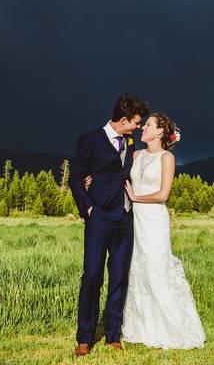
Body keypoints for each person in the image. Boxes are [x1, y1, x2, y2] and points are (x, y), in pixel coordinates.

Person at [86, 112, 205, 350]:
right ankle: (141, 325)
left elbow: (163, 195)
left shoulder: (167, 158)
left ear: (160, 132)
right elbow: (114, 173)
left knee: (156, 267)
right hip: (132, 220)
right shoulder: (136, 154)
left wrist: (136, 197)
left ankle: (172, 327)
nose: (143, 128)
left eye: (148, 125)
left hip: (154, 220)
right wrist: (93, 181)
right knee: (136, 269)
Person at [68, 93, 149, 357]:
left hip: (125, 219)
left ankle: (113, 334)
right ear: (124, 120)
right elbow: (76, 178)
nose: (138, 127)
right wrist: (88, 208)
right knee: (92, 276)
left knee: (119, 278)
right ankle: (85, 337)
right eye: (136, 123)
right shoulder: (89, 140)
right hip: (99, 218)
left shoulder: (129, 140)